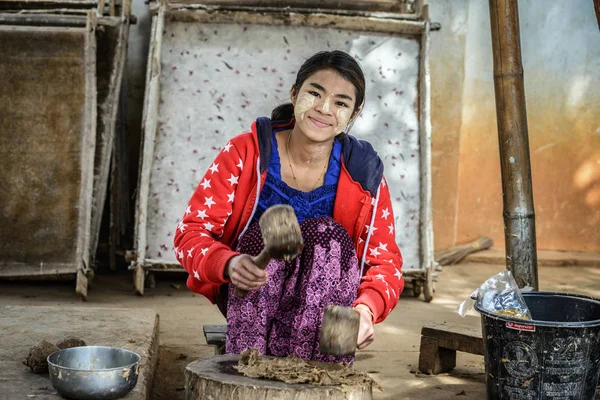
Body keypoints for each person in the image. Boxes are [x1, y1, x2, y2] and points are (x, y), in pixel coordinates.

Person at [174, 50, 404, 363]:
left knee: (328, 235)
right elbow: (191, 233)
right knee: (258, 236)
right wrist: (227, 263)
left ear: (354, 113)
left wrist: (365, 310)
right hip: (251, 302)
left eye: (340, 102)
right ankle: (248, 370)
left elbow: (385, 264)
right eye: (314, 93)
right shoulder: (247, 153)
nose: (324, 109)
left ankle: (317, 375)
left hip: (323, 315)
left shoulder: (363, 173)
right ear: (295, 93)